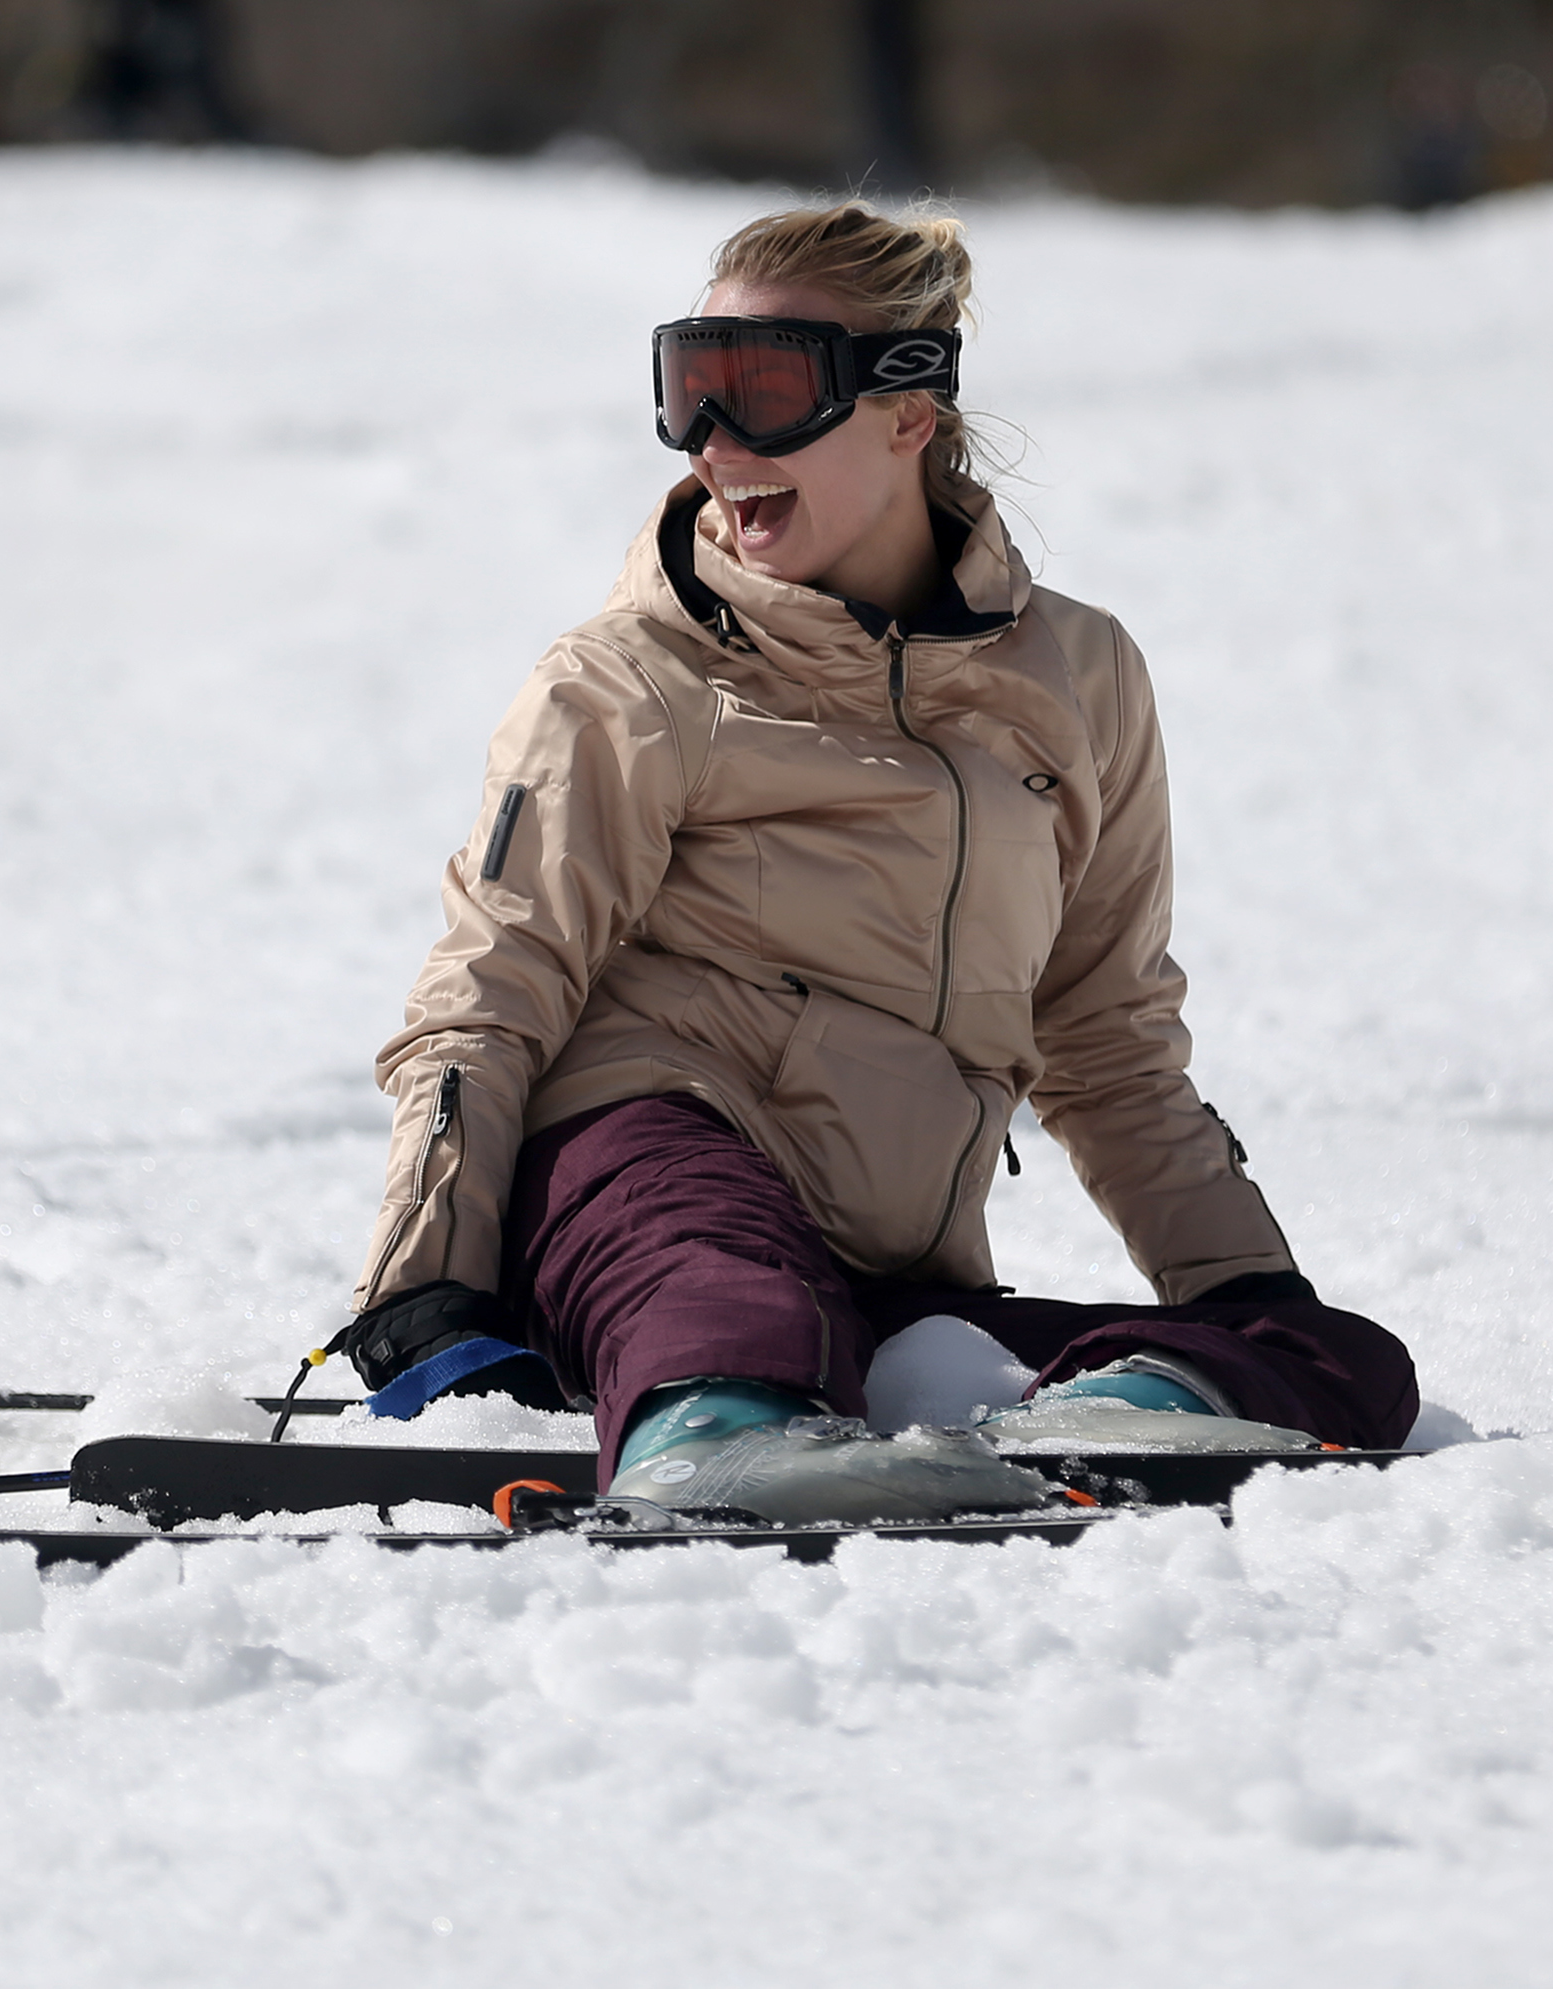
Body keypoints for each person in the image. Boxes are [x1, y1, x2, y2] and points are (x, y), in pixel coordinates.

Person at [323, 203, 1418, 1523]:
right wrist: (424, 1291)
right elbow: (489, 989)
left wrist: (1245, 1297)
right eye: (688, 388)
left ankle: (1089, 1431)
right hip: (641, 1162)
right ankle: (715, 1429)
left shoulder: (1079, 681)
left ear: (910, 409)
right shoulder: (632, 681)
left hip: (881, 1261)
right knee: (738, 1296)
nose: (716, 440)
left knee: (1345, 1360)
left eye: (765, 388)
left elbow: (1109, 1042)